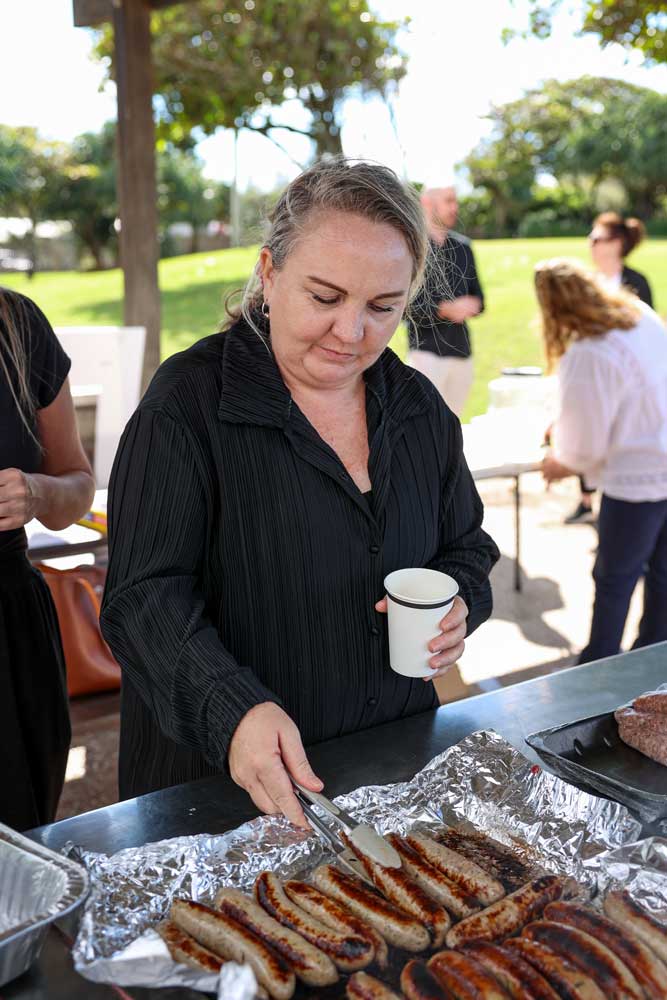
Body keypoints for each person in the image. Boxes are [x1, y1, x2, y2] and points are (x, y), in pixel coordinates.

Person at [100, 159, 499, 826]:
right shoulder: (187, 405)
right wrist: (232, 709)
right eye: (325, 297)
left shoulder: (417, 407)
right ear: (269, 272)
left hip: (391, 771)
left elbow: (467, 545)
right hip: (218, 799)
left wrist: (461, 601)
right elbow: (142, 599)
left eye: (382, 307)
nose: (351, 332)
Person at [535, 258, 667, 664]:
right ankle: (651, 662)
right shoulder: (639, 315)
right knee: (663, 577)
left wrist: (558, 462)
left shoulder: (588, 352)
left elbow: (583, 449)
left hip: (637, 480)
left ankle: (599, 666)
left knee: (615, 579)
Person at [0, 289, 95, 830]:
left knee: (24, 840)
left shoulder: (18, 325)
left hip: (11, 632)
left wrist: (35, 493)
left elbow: (78, 486)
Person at [565, 212, 654, 525]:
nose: (590, 244)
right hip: (593, 371)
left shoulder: (637, 283)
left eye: (596, 238)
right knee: (587, 424)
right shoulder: (588, 284)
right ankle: (586, 499)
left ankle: (613, 503)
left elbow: (645, 331)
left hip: (626, 375)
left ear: (616, 244)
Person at [405, 186, 484, 418]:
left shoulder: (464, 248)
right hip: (425, 352)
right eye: (448, 201)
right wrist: (444, 309)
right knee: (424, 425)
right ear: (427, 202)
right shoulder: (411, 246)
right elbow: (401, 305)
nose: (454, 208)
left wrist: (472, 305)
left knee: (454, 424)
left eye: (455, 201)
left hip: (461, 351)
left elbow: (480, 298)